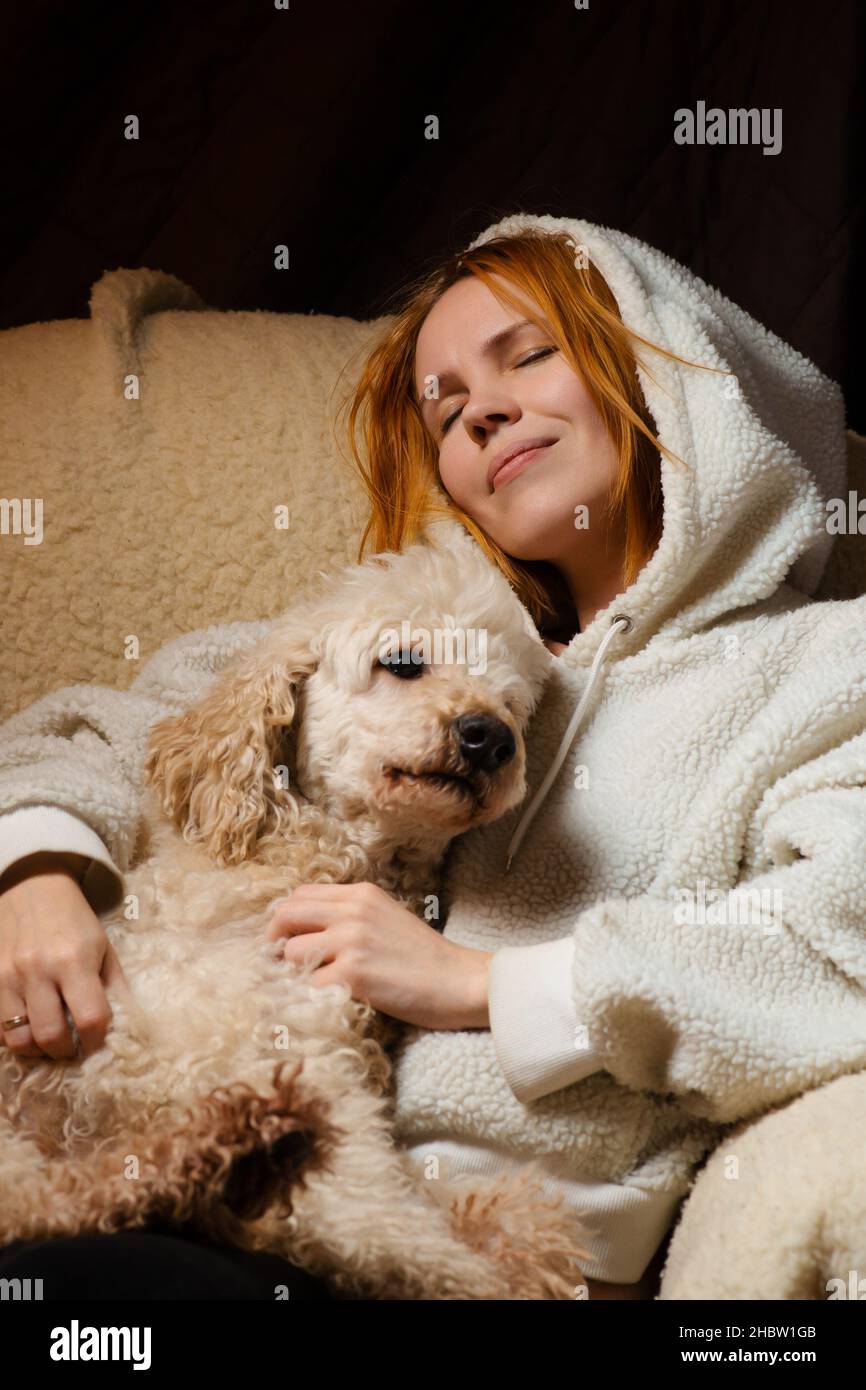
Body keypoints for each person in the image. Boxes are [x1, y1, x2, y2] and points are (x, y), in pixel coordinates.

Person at [1, 213, 865, 1301]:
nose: (483, 408)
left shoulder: (820, 666)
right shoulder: (410, 625)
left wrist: (488, 987)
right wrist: (38, 873)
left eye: (528, 355)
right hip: (220, 1190)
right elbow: (94, 730)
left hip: (480, 1249)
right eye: (446, 409)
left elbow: (840, 936)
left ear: (655, 365)